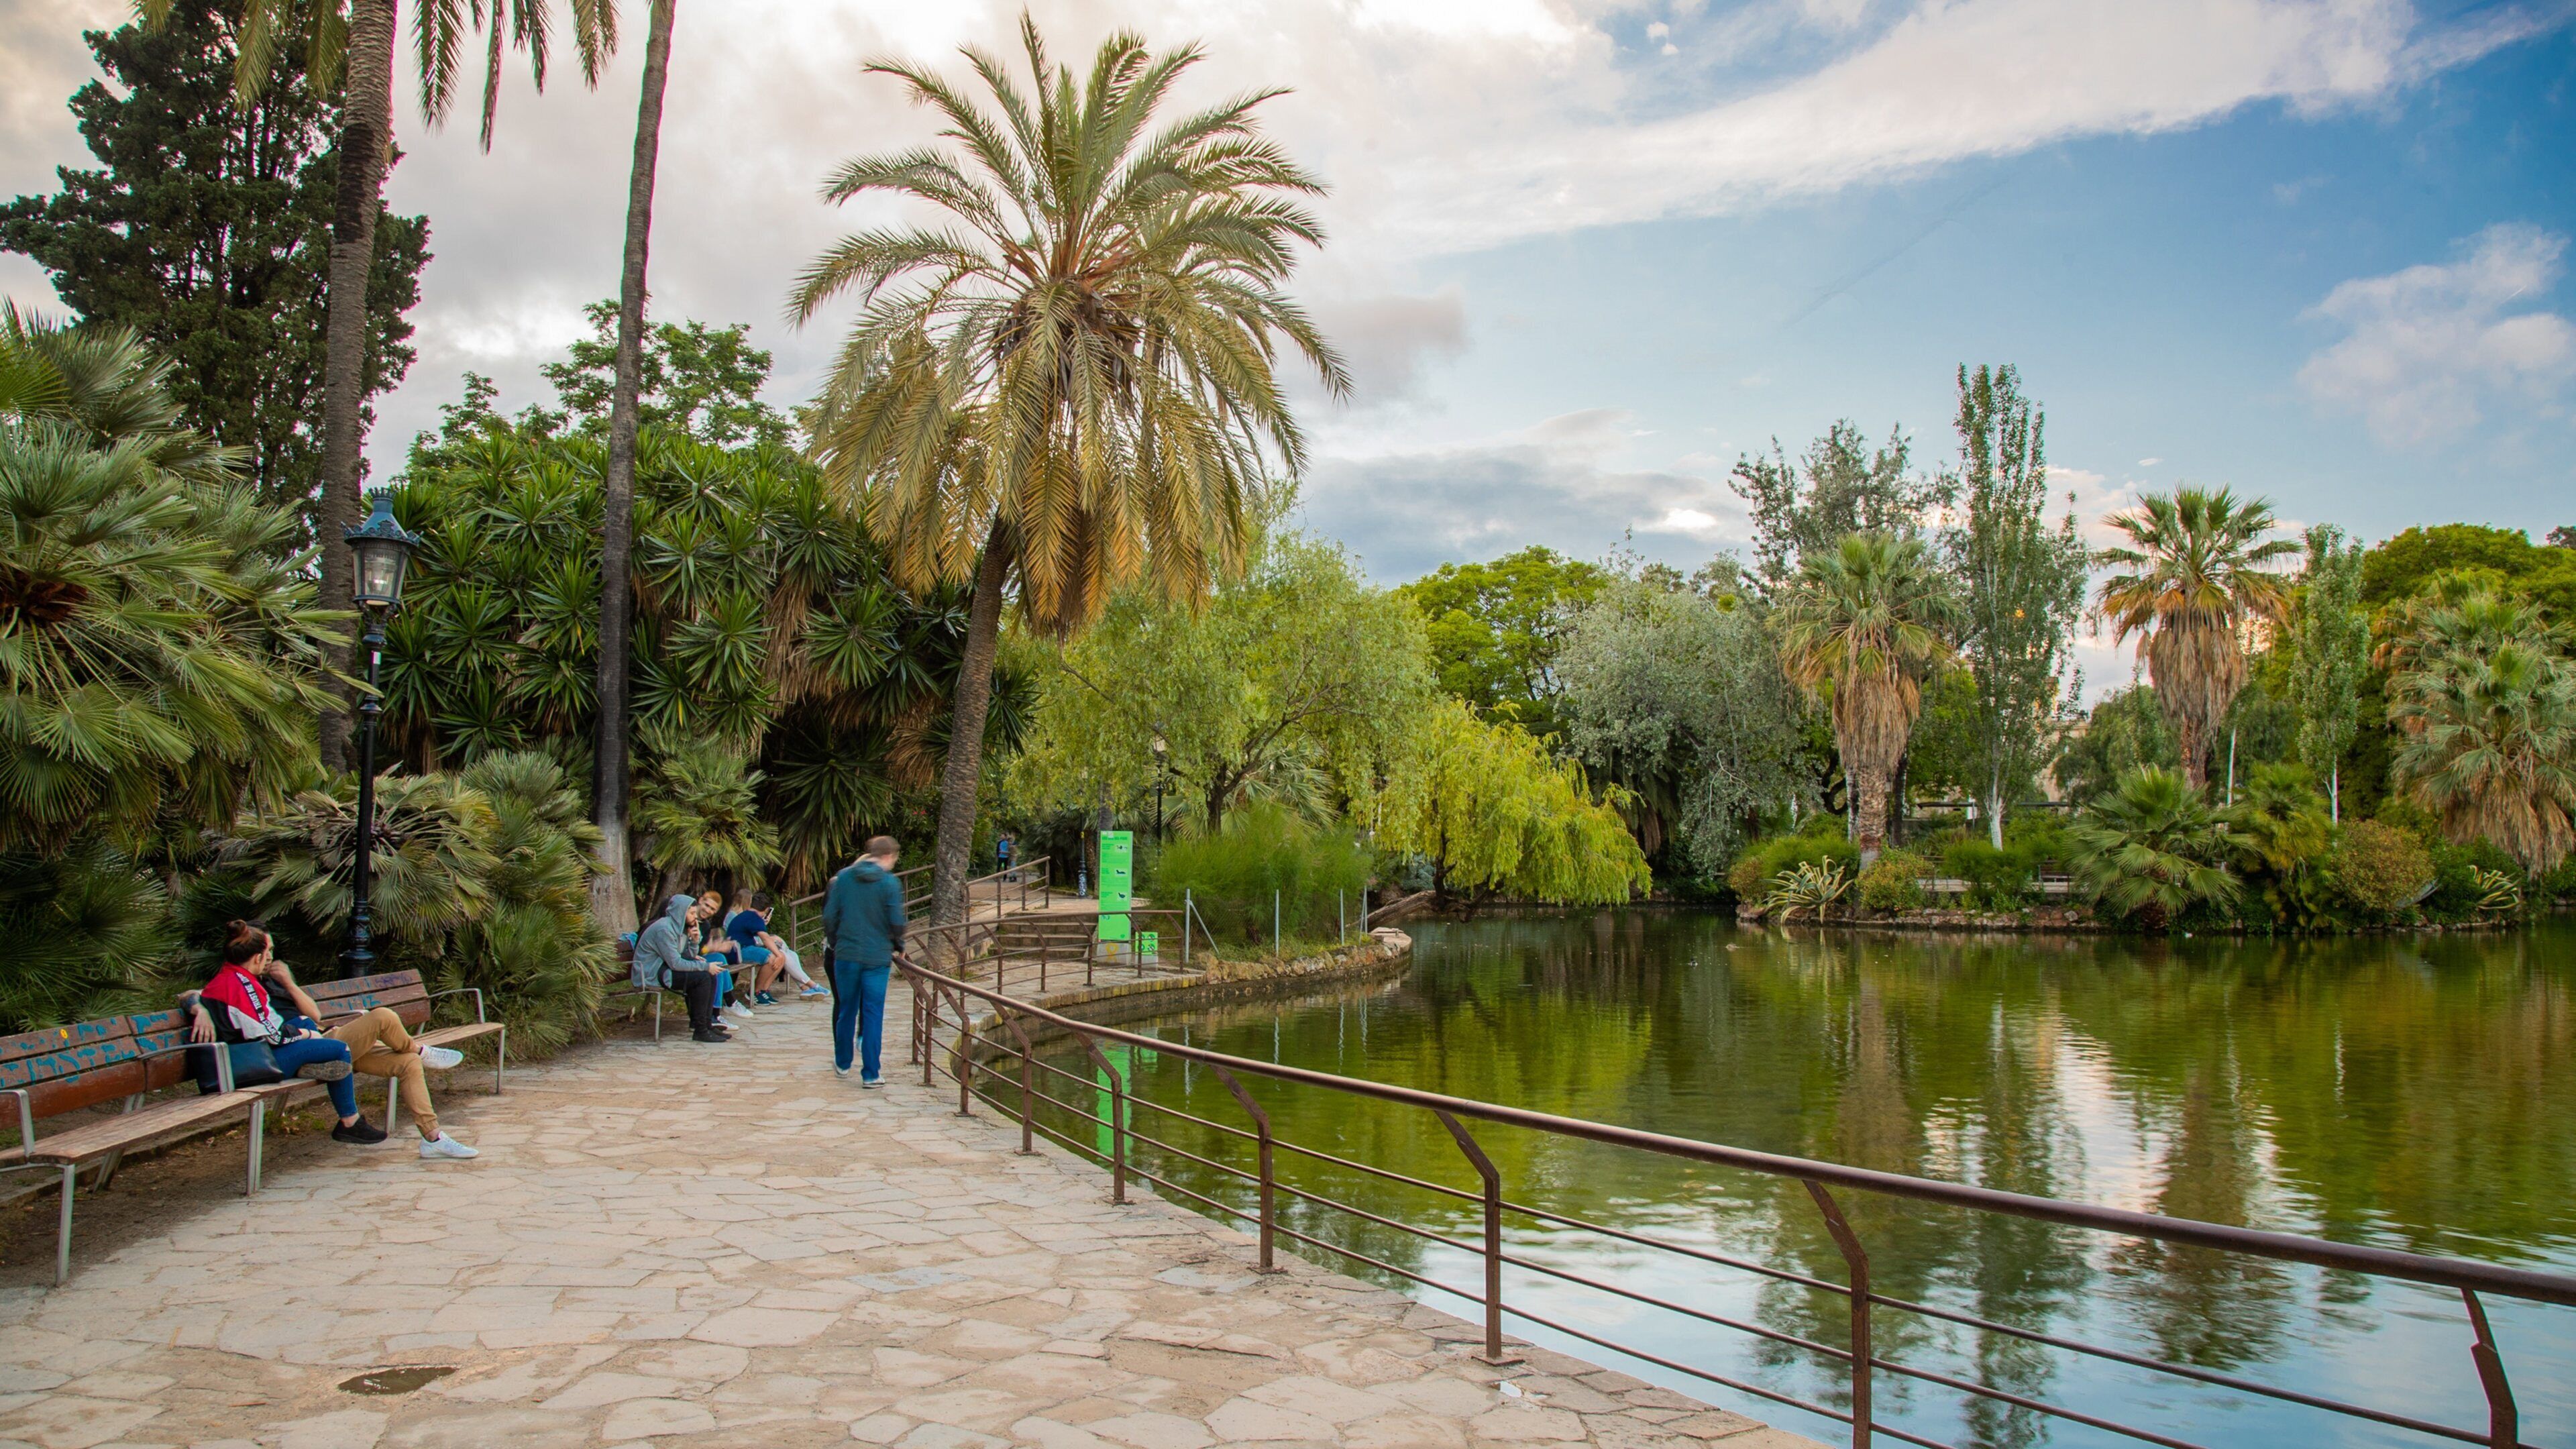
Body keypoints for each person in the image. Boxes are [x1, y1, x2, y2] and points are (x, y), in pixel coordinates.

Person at [190, 922, 478, 1159]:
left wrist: (289, 987)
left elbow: (310, 1014)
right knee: (382, 1018)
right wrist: (198, 1007)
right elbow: (211, 999)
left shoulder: (260, 979)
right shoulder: (239, 983)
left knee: (408, 1064)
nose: (272, 957)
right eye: (269, 951)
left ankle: (433, 1137)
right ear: (256, 955)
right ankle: (413, 1056)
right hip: (295, 1046)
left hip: (315, 1036)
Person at [820, 835, 907, 1085]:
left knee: (846, 1008)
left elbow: (830, 916)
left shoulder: (844, 879)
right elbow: (896, 921)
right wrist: (898, 945)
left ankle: (842, 1061)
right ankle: (871, 1073)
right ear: (889, 856)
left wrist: (837, 942)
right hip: (876, 957)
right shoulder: (890, 883)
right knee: (872, 1013)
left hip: (846, 955)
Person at [635, 893, 727, 1043]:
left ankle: (707, 1025)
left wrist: (695, 942)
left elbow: (687, 956)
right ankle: (700, 1030)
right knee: (703, 977)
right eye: (691, 913)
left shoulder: (680, 928)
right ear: (681, 912)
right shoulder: (664, 929)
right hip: (652, 974)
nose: (695, 917)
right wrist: (705, 966)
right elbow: (676, 963)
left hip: (664, 970)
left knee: (709, 975)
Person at [729, 889, 824, 1002]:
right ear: (766, 910)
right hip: (739, 950)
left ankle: (763, 990)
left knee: (781, 957)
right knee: (773, 957)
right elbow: (765, 938)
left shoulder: (749, 916)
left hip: (742, 948)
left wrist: (779, 954)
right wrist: (777, 954)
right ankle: (754, 992)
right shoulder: (754, 917)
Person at [691, 889, 754, 1021]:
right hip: (682, 961)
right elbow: (687, 950)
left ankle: (725, 1006)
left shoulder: (705, 925)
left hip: (695, 958)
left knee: (719, 959)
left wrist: (712, 948)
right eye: (707, 905)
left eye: (712, 909)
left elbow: (699, 949)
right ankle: (718, 1012)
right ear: (700, 901)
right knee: (716, 965)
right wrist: (711, 948)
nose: (708, 911)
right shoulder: (687, 920)